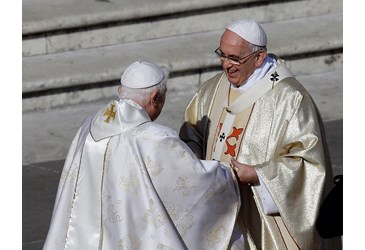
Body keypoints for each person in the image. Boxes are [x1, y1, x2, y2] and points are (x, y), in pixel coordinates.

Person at [43, 61, 244, 249]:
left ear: (121, 91)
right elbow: (193, 183)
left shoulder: (88, 125)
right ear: (155, 98)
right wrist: (228, 175)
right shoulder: (155, 138)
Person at [179, 19, 342, 249]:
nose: (226, 65)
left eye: (235, 58)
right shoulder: (211, 89)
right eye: (222, 55)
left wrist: (259, 175)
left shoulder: (289, 98)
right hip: (218, 210)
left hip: (264, 220)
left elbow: (309, 164)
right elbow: (191, 134)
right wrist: (195, 162)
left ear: (259, 58)